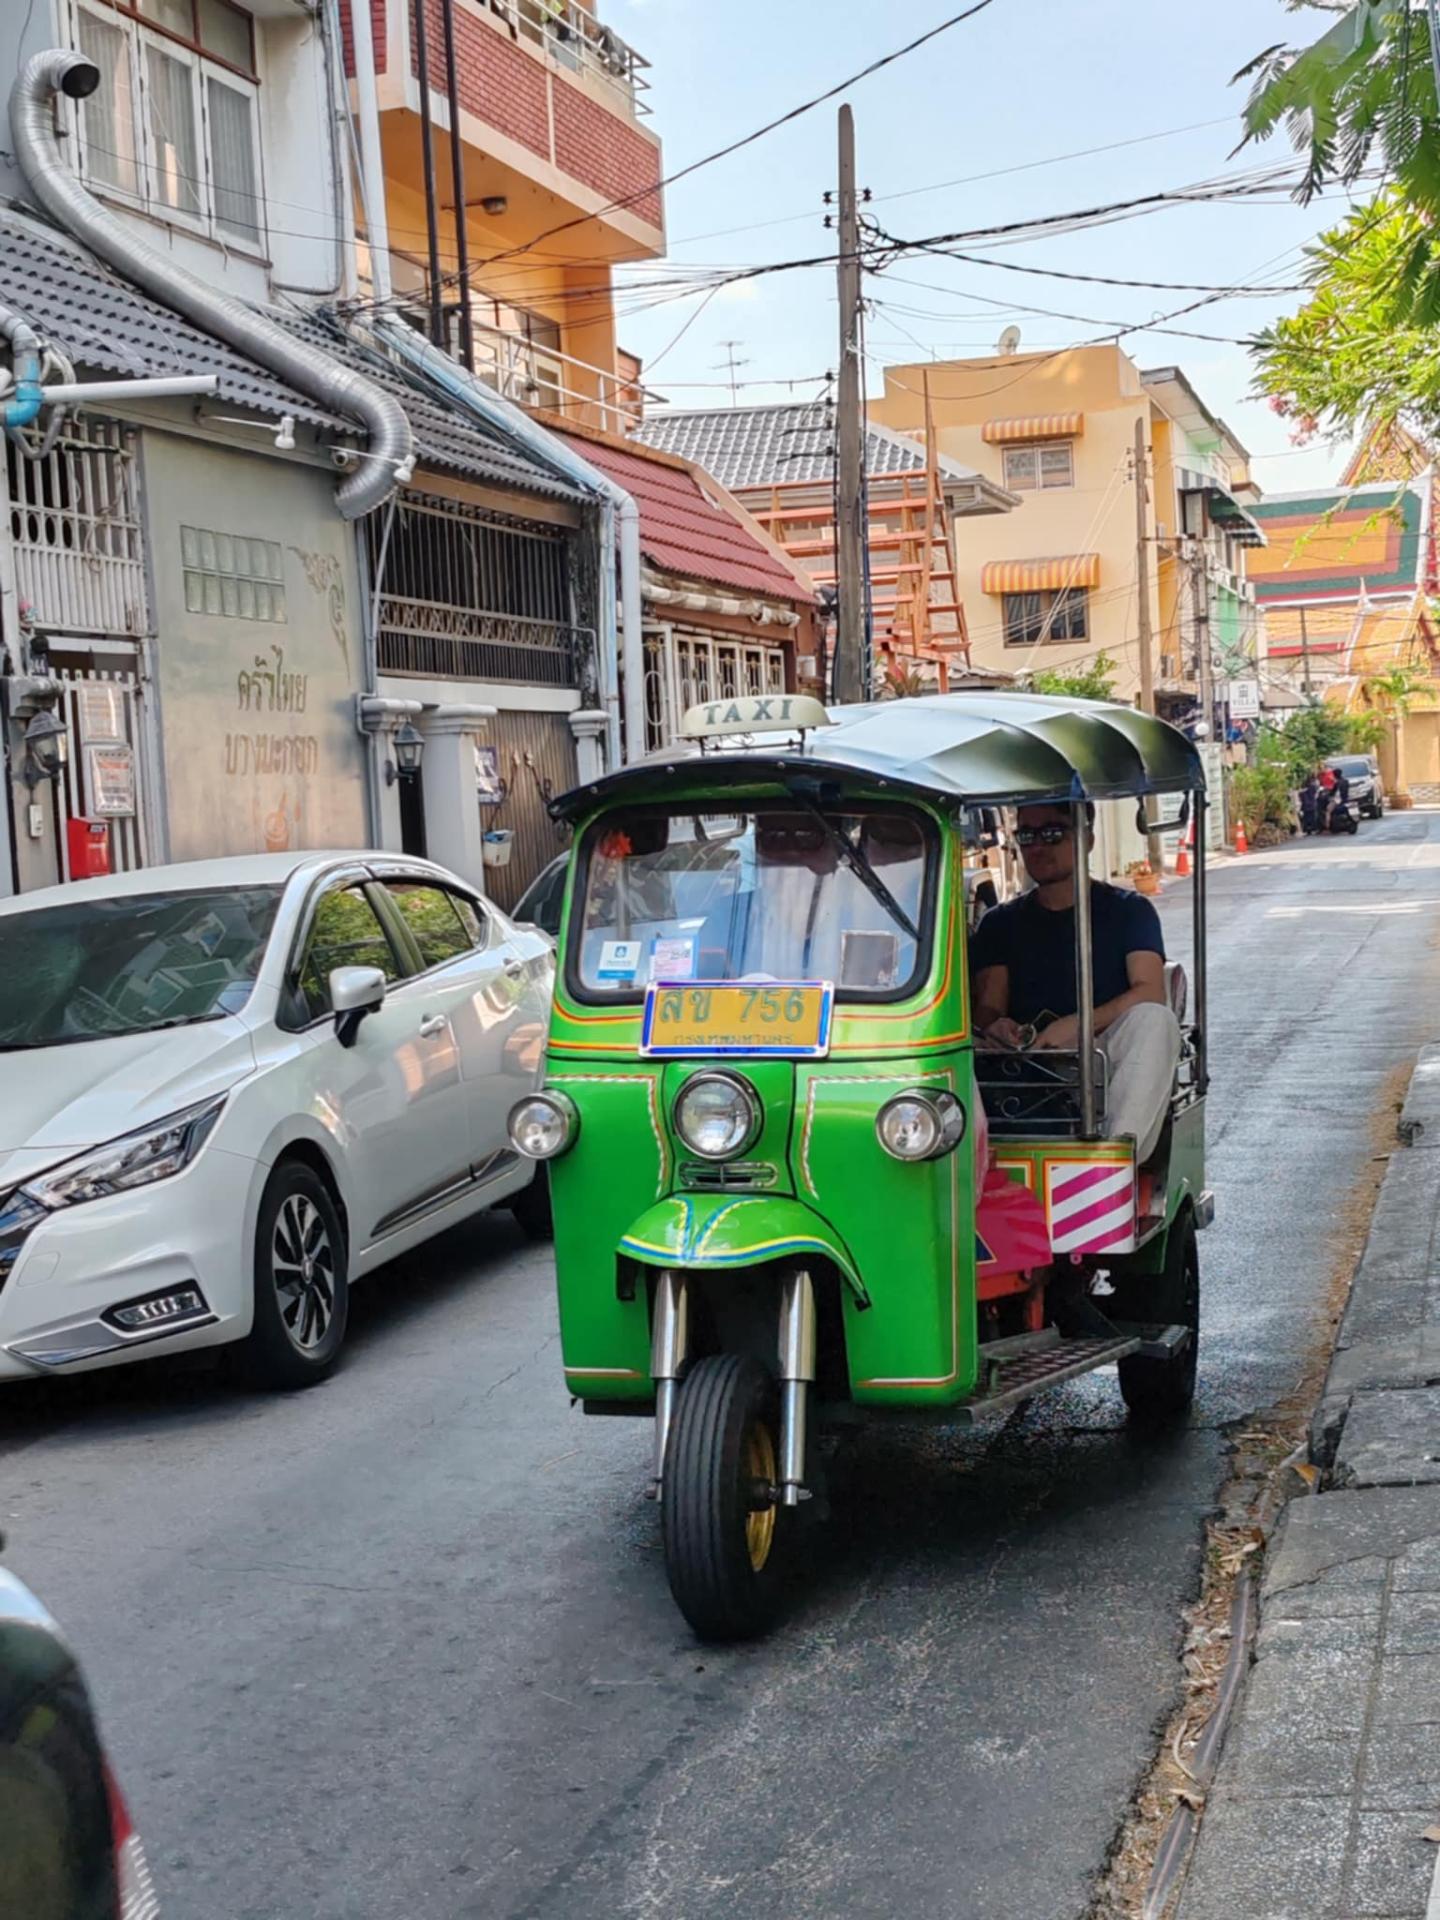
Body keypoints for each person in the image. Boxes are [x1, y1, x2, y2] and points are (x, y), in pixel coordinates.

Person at [970, 802, 1182, 1161]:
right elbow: (990, 1005)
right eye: (1027, 835)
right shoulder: (998, 923)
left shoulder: (1129, 911)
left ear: (1088, 839)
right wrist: (997, 1027)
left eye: (1052, 833)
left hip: (1104, 1059)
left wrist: (1080, 1026)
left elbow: (1151, 990)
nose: (1038, 845)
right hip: (1022, 1066)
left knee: (1155, 1020)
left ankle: (1110, 1163)